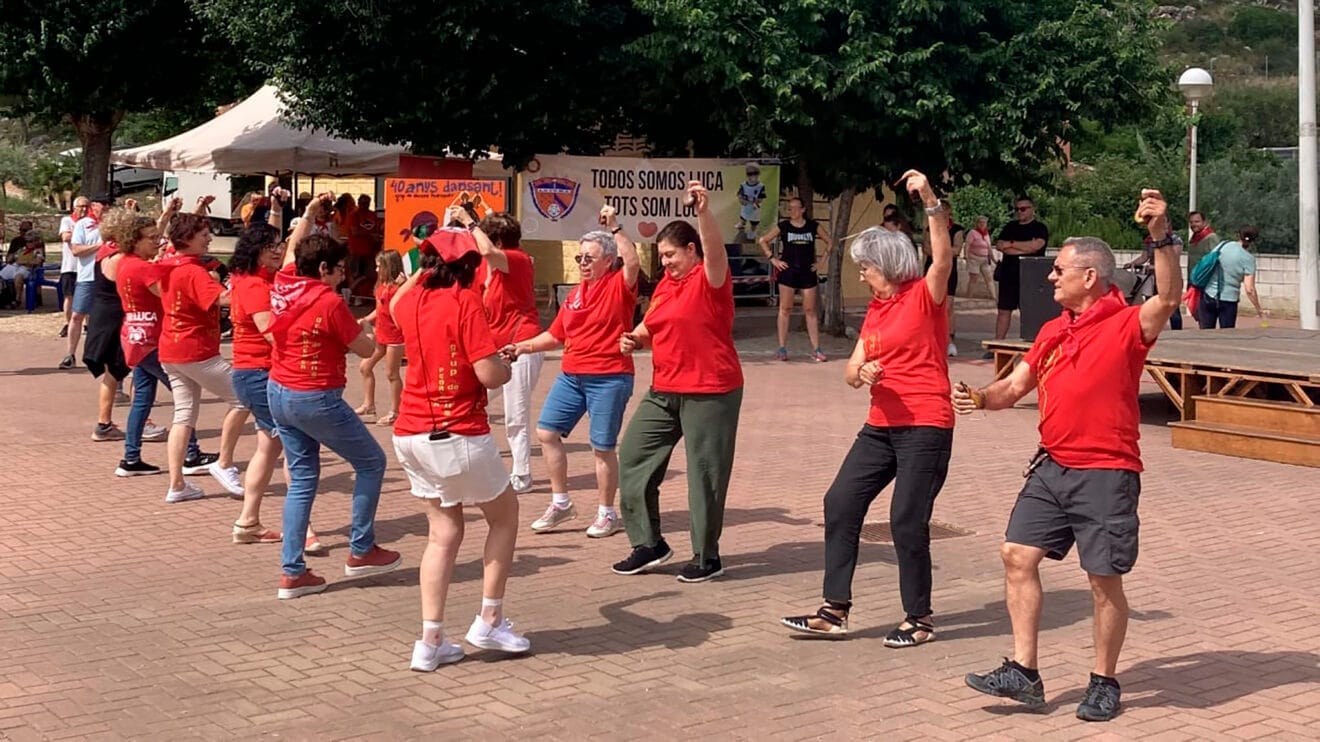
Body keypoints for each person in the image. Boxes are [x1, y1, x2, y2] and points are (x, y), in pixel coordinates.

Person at [955, 190, 1183, 723]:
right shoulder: (1053, 331)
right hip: (1052, 466)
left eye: (1059, 270)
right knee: (1017, 554)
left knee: (1102, 581)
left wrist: (1161, 233)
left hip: (1107, 471)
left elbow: (1168, 297)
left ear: (1090, 278)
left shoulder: (1127, 324)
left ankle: (1104, 681)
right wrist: (981, 398)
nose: (1050, 277)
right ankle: (1024, 672)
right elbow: (1014, 386)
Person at [780, 170, 954, 642]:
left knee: (905, 519)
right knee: (839, 502)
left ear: (889, 264)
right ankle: (833, 610)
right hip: (880, 425)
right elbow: (851, 369)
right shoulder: (876, 310)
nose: (861, 274)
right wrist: (863, 373)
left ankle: (919, 619)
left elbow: (942, 255)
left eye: (866, 267)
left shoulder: (924, 296)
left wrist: (930, 199)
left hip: (925, 425)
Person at [389, 226, 530, 671]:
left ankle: (430, 640)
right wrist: (505, 366)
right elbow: (489, 375)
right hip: (456, 430)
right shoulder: (465, 300)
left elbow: (395, 302)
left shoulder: (412, 298)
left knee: (444, 533)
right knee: (504, 516)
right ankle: (489, 617)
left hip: (410, 433)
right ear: (469, 266)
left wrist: (423, 258)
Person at [268, 195, 401, 600]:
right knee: (372, 462)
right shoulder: (327, 301)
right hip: (315, 394)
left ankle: (293, 571)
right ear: (323, 269)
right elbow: (363, 350)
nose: (344, 277)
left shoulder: (284, 281)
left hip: (279, 390)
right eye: (339, 270)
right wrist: (378, 330)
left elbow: (293, 248)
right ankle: (360, 548)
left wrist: (307, 217)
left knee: (303, 479)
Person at [612, 180, 744, 583]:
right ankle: (649, 544)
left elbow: (716, 251)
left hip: (711, 390)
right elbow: (655, 325)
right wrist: (635, 336)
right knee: (633, 457)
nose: (665, 262)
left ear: (691, 251)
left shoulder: (711, 279)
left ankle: (707, 556)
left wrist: (703, 212)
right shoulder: (667, 285)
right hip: (665, 389)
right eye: (662, 255)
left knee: (705, 474)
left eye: (671, 255)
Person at [506, 206, 639, 539]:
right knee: (547, 433)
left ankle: (608, 513)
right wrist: (522, 346)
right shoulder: (576, 294)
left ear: (608, 261)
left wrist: (616, 227)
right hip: (572, 376)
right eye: (580, 258)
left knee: (602, 447)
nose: (582, 263)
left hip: (609, 376)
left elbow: (633, 260)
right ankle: (561, 503)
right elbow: (555, 335)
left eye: (589, 258)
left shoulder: (618, 285)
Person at [228, 219, 323, 547]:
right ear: (255, 251)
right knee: (296, 449)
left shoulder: (254, 278)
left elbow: (293, 254)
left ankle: (248, 521)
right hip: (259, 373)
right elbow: (270, 333)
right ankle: (303, 531)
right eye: (271, 247)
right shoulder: (254, 285)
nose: (278, 251)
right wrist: (308, 340)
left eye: (279, 245)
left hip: (251, 372)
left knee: (268, 450)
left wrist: (307, 215)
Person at [113, 202, 215, 478]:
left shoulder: (125, 262)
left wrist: (167, 215)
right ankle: (191, 455)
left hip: (135, 335)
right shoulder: (144, 268)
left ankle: (131, 457)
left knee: (143, 398)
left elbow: (154, 239)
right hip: (152, 339)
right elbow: (169, 296)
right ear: (135, 241)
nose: (157, 242)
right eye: (151, 238)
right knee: (184, 396)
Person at [157, 212, 248, 502]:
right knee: (244, 397)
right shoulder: (191, 270)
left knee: (183, 415)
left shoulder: (167, 263)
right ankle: (224, 463)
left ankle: (177, 484)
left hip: (171, 347)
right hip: (195, 350)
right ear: (186, 238)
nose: (209, 238)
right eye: (203, 234)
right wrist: (243, 283)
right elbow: (223, 298)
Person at [475, 212, 543, 494]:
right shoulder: (486, 267)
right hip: (496, 349)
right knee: (473, 398)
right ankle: (478, 462)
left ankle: (522, 473)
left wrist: (471, 223)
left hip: (522, 346)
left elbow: (487, 249)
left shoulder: (518, 259)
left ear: (499, 241)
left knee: (516, 414)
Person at [83, 204, 137, 443]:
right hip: (115, 319)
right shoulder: (122, 258)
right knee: (130, 368)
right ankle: (138, 420)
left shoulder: (106, 251)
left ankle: (104, 423)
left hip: (102, 315)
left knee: (112, 374)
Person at [757, 197, 834, 362]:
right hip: (788, 272)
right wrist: (773, 259)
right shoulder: (783, 226)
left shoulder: (812, 226)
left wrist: (821, 262)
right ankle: (782, 348)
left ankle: (817, 349)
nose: (792, 211)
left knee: (810, 310)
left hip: (808, 272)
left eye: (795, 208)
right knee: (785, 309)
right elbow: (763, 240)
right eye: (790, 208)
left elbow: (830, 241)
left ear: (803, 209)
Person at [988, 196, 1049, 357]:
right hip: (1009, 275)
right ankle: (997, 345)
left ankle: (1034, 348)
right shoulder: (1010, 226)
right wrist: (1023, 247)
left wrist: (1012, 244)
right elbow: (1001, 246)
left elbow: (1036, 247)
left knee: (1030, 312)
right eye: (1017, 209)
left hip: (1031, 275)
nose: (1019, 212)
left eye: (1023, 209)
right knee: (1003, 310)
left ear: (1032, 209)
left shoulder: (1040, 228)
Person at [355, 250, 406, 424]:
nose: (376, 270)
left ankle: (395, 411)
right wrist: (365, 319)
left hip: (396, 337)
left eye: (379, 266)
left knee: (392, 373)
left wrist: (404, 286)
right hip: (381, 334)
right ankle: (369, 405)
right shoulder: (382, 285)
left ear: (388, 267)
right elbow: (379, 310)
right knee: (365, 367)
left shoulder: (399, 288)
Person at [61, 196, 108, 369]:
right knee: (77, 315)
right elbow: (76, 250)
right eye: (97, 206)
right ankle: (70, 354)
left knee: (102, 318)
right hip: (87, 277)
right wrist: (100, 246)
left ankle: (97, 355)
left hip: (106, 278)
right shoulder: (83, 224)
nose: (98, 209)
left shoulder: (111, 225)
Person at [1198, 227, 1264, 330]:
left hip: (1208, 295)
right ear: (1253, 241)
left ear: (1238, 235)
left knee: (1205, 333)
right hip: (1229, 300)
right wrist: (1259, 309)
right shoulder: (1249, 259)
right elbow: (1249, 289)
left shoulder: (1223, 245)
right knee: (1227, 335)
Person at [923, 201, 963, 357]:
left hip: (949, 270)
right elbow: (926, 248)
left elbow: (957, 250)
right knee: (929, 303)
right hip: (930, 268)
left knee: (948, 305)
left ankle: (949, 339)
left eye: (943, 211)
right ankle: (930, 338)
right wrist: (942, 252)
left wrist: (940, 252)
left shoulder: (957, 230)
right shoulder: (928, 229)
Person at [1124, 231, 1184, 330]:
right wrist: (1131, 264)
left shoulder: (1175, 239)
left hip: (1169, 277)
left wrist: (1156, 266)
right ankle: (1151, 330)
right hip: (1152, 278)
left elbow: (1173, 258)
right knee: (1151, 305)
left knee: (1172, 307)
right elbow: (1144, 257)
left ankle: (1177, 331)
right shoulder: (1149, 239)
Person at [58, 199, 89, 338]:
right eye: (80, 206)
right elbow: (65, 237)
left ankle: (88, 325)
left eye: (86, 206)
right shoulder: (67, 221)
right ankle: (69, 323)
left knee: (89, 296)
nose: (83, 209)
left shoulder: (90, 222)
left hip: (86, 266)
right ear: (74, 207)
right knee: (69, 297)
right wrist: (81, 231)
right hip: (70, 266)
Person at [1, 230, 45, 309]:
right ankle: (4, 299)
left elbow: (37, 262)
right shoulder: (22, 249)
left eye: (30, 241)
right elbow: (10, 260)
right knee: (1, 276)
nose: (28, 243)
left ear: (36, 241)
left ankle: (17, 300)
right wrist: (13, 255)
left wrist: (24, 262)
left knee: (19, 276)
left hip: (27, 269)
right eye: (27, 241)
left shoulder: (37, 251)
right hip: (14, 266)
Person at [965, 215, 996, 300]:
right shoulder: (972, 232)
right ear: (977, 223)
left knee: (989, 278)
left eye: (984, 222)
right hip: (974, 258)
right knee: (973, 278)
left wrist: (993, 259)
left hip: (985, 259)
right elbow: (967, 245)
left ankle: (993, 297)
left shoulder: (986, 234)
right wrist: (966, 256)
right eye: (980, 222)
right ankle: (969, 298)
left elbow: (989, 247)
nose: (982, 224)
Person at [736, 164, 767, 242]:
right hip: (746, 204)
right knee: (743, 216)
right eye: (750, 174)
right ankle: (742, 224)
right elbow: (739, 194)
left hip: (755, 206)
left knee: (754, 221)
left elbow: (761, 197)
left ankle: (752, 231)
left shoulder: (760, 186)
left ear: (758, 174)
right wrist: (741, 200)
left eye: (755, 173)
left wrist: (756, 203)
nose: (753, 176)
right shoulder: (743, 185)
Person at [1185, 211, 1220, 275]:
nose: (1193, 224)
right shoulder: (1194, 238)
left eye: (1197, 222)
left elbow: (1216, 260)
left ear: (1204, 222)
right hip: (1193, 279)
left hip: (1205, 280)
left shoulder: (1211, 237)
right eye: (1191, 222)